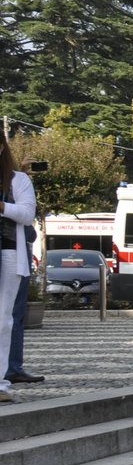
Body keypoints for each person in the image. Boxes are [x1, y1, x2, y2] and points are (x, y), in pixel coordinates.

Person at [0, 136, 36, 404]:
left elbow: (26, 214)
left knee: (3, 319)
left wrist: (2, 206)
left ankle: (1, 383)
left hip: (8, 252)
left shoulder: (17, 180)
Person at [7, 224, 42, 384]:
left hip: (14, 249)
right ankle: (12, 368)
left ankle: (12, 368)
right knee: (14, 314)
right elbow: (30, 233)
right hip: (14, 250)